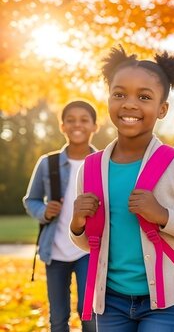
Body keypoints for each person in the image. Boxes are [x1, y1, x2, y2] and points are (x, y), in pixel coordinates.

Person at [69, 46, 174, 331]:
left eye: (144, 97)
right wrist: (77, 224)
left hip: (164, 303)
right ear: (108, 100)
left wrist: (163, 216)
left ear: (162, 109)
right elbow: (89, 243)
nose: (129, 104)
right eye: (119, 94)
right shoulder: (90, 168)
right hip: (110, 301)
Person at [23, 100, 98, 332]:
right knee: (57, 319)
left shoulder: (102, 163)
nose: (78, 125)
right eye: (71, 120)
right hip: (55, 251)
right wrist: (44, 211)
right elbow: (31, 200)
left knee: (90, 316)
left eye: (84, 120)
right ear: (62, 126)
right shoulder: (48, 163)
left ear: (95, 126)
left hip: (88, 250)